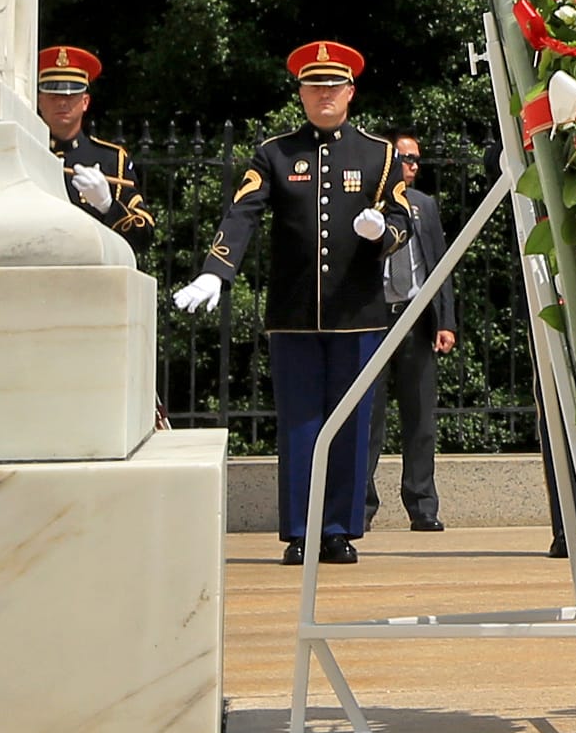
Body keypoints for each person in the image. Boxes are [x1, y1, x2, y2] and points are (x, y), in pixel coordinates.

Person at [174, 40, 411, 565]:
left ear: (350, 91)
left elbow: (402, 222)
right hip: (294, 313)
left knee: (350, 422)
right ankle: (302, 529)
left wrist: (382, 233)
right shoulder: (275, 153)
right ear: (300, 93)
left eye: (333, 85)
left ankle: (339, 529)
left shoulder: (379, 153)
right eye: (313, 86)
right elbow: (243, 212)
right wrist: (217, 270)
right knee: (301, 421)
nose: (323, 94)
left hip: (357, 314)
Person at [376, 133, 461, 532]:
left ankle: (423, 505)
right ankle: (361, 508)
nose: (411, 165)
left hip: (415, 318)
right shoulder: (369, 203)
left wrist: (445, 321)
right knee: (368, 417)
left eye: (415, 160)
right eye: (405, 158)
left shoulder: (424, 205)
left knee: (421, 418)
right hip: (374, 319)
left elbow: (439, 265)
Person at [36, 45, 159, 248]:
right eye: (53, 96)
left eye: (70, 96)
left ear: (85, 102)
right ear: (40, 102)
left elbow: (144, 235)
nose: (62, 103)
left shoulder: (111, 159)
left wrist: (108, 206)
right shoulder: (23, 150)